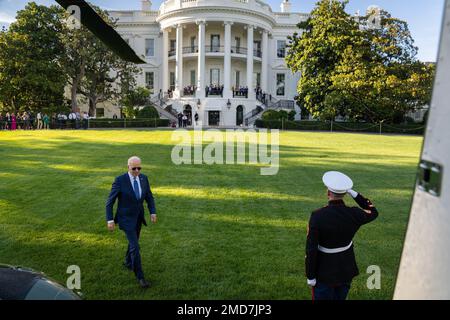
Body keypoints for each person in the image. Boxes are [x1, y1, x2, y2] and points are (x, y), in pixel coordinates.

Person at [305, 171, 379, 300]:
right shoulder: (354, 213)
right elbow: (373, 211)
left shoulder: (317, 216)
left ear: (328, 193)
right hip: (346, 268)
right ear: (345, 193)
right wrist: (354, 193)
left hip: (324, 271)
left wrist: (310, 275)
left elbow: (311, 249)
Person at [106, 156, 157, 289]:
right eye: (134, 168)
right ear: (128, 166)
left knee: (134, 242)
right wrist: (110, 220)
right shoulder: (120, 180)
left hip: (138, 217)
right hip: (125, 219)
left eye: (139, 168)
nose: (136, 170)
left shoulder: (143, 178)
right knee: (135, 247)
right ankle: (140, 277)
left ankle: (128, 262)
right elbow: (109, 202)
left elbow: (149, 197)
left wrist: (153, 212)